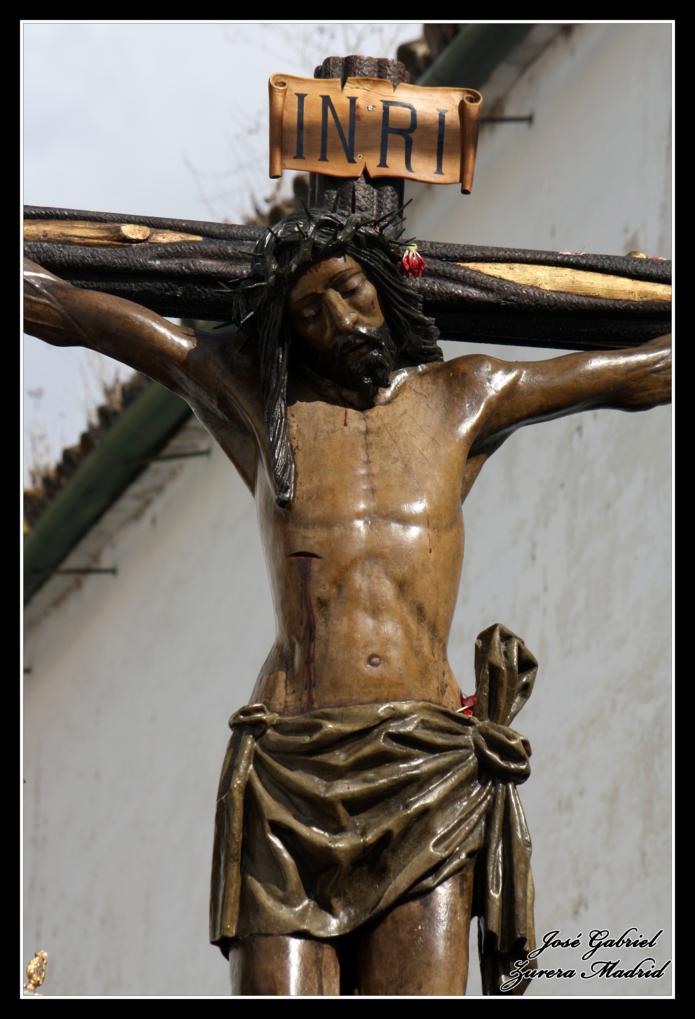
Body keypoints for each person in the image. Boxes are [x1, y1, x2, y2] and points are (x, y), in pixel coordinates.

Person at [23, 207, 671, 995]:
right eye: (310, 311)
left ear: (385, 289)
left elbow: (632, 374)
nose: (339, 320)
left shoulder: (463, 396)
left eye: (351, 291)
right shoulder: (260, 403)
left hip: (425, 772)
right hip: (290, 774)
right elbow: (92, 320)